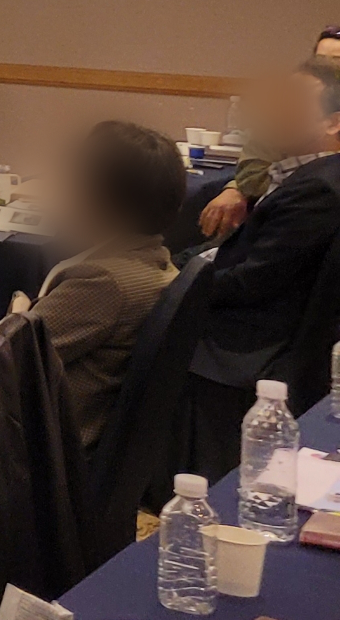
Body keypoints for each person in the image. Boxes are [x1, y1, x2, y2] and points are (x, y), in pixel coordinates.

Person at [182, 58, 340, 473]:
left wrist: (177, 280)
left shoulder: (320, 189)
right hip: (253, 317)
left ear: (334, 123)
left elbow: (252, 282)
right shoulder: (304, 174)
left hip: (252, 348)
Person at [32, 120, 183, 450]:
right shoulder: (157, 262)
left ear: (97, 198)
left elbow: (4, 360)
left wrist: (16, 312)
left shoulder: (102, 282)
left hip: (47, 448)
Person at [203, 28, 340, 239]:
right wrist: (234, 189)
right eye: (321, 59)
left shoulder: (321, 183)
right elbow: (252, 174)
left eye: (337, 61)